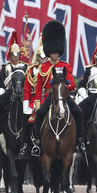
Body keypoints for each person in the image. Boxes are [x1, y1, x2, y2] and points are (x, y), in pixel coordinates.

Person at [32, 20, 84, 156]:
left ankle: (80, 141)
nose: (55, 55)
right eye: (53, 53)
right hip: (48, 96)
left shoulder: (65, 66)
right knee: (38, 115)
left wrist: (64, 83)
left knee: (78, 113)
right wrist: (37, 103)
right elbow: (38, 89)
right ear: (49, 52)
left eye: (57, 53)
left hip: (63, 95)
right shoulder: (42, 67)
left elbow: (72, 84)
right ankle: (37, 143)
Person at [24, 39, 48, 157]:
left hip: (49, 98)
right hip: (34, 101)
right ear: (38, 57)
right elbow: (27, 90)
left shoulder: (52, 68)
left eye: (45, 57)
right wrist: (27, 105)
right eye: (41, 57)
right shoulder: (32, 70)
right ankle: (26, 145)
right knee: (27, 121)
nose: (43, 60)